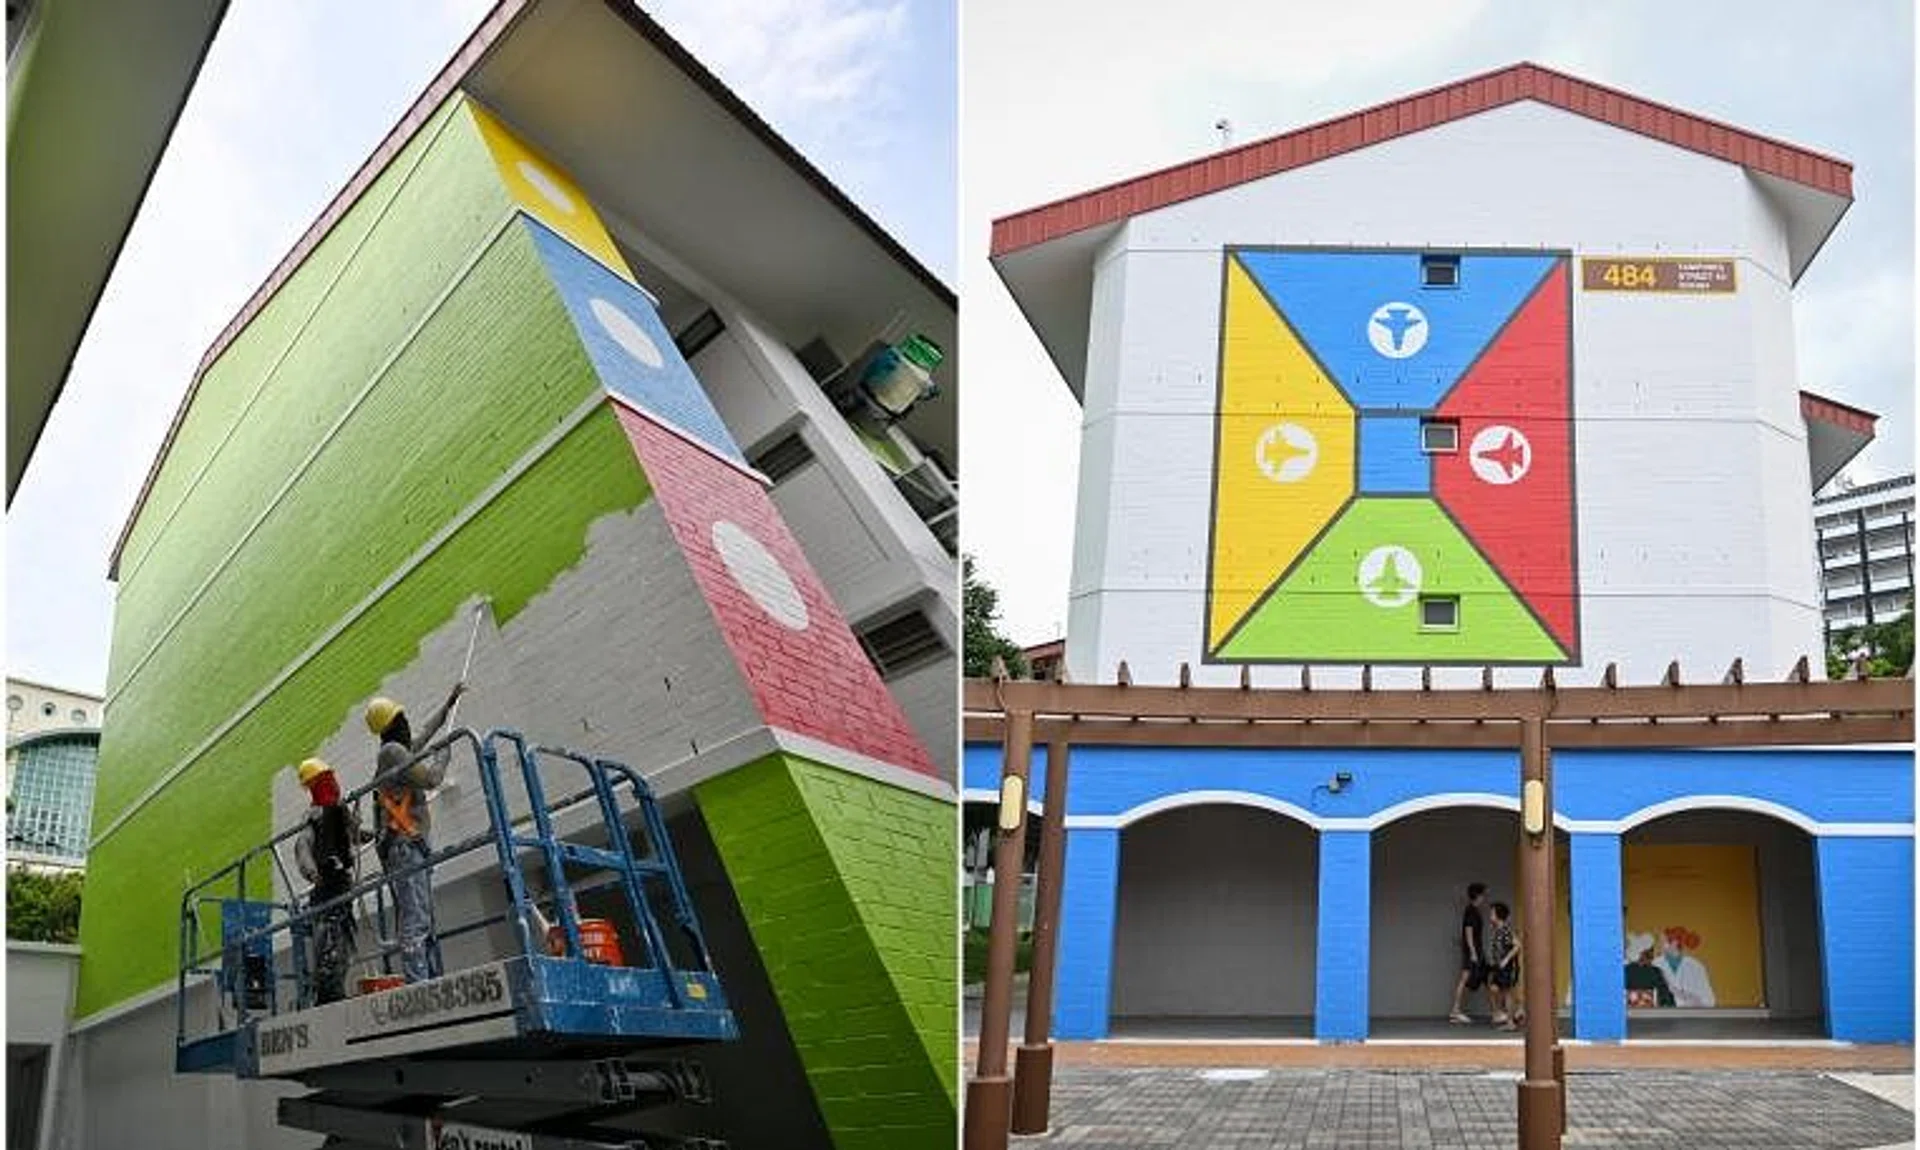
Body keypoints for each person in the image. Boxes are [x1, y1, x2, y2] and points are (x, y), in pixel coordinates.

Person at [364, 685, 463, 983]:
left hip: (409, 847)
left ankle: (430, 979)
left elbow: (420, 738)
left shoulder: (394, 751)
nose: (406, 722)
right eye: (401, 717)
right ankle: (419, 984)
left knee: (424, 918)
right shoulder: (392, 752)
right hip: (405, 846)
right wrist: (444, 752)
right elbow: (432, 779)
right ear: (394, 723)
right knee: (417, 919)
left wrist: (447, 706)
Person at [293, 758, 368, 1005]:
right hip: (328, 889)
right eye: (327, 779)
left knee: (339, 947)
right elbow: (303, 845)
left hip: (340, 889)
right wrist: (312, 871)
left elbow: (353, 836)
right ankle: (329, 996)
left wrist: (368, 831)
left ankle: (331, 992)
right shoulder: (314, 815)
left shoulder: (338, 810)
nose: (333, 784)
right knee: (330, 946)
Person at [1448, 881, 1490, 1024]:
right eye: (1483, 894)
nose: (1484, 898)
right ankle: (1455, 1010)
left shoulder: (1473, 910)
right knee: (1465, 979)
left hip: (1476, 951)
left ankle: (1496, 1011)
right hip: (1474, 952)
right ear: (1478, 895)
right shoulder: (1471, 911)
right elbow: (1469, 931)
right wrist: (1472, 952)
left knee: (1483, 979)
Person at [1659, 926, 1715, 1007]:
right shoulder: (1656, 964)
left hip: (1691, 1016)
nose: (1661, 946)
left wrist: (1690, 998)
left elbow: (1710, 1000)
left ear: (1675, 943)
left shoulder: (1696, 966)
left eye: (1663, 942)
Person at [1487, 901, 1523, 1030]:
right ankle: (1516, 1012)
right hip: (1500, 968)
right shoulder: (1498, 930)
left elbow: (1518, 945)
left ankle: (1511, 1022)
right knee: (1494, 989)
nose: (1490, 916)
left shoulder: (1505, 930)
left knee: (1507, 993)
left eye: (1492, 913)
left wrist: (1506, 960)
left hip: (1508, 968)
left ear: (1498, 916)